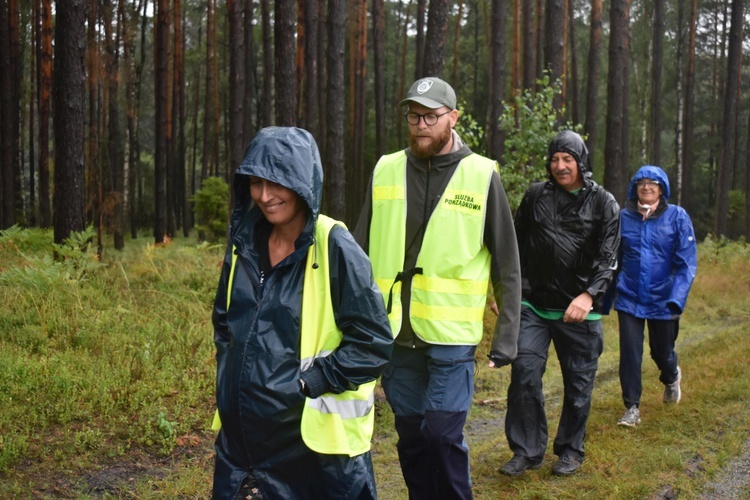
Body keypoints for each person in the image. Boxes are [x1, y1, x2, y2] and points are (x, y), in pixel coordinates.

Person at [353, 77, 521, 499]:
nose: (421, 125)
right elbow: (356, 250)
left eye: (430, 116)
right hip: (395, 333)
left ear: (453, 118)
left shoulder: (481, 176)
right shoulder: (386, 168)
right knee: (411, 438)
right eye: (414, 116)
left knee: (441, 436)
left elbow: (507, 263)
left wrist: (508, 336)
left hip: (451, 337)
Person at [211, 127, 393, 499]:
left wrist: (311, 382)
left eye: (276, 183)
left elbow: (372, 343)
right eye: (256, 183)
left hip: (313, 447)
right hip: (244, 441)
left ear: (302, 183)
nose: (264, 196)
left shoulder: (334, 245)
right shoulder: (243, 245)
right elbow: (224, 322)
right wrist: (229, 382)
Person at [500, 130, 620, 477]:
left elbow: (610, 256)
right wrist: (510, 292)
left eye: (567, 159)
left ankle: (570, 450)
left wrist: (589, 295)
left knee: (579, 384)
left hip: (581, 311)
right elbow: (514, 244)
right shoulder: (536, 195)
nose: (560, 166)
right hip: (534, 306)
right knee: (523, 373)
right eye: (554, 159)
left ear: (581, 161)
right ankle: (526, 450)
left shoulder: (603, 202)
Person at [612, 166, 697, 428]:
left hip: (664, 299)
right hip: (629, 297)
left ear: (662, 189)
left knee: (661, 352)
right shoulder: (623, 218)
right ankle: (632, 408)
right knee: (630, 353)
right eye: (641, 183)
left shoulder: (677, 217)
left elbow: (687, 264)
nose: (646, 187)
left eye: (653, 183)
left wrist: (676, 298)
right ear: (634, 188)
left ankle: (671, 376)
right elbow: (612, 257)